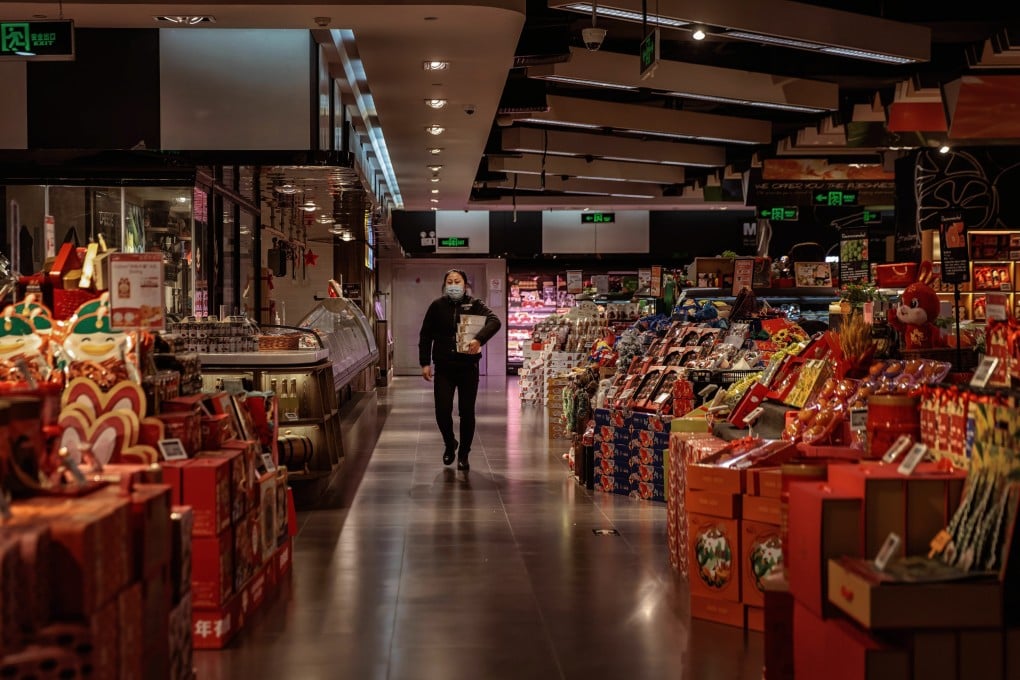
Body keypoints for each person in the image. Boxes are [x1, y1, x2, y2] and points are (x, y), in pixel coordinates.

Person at [419, 269, 501, 471]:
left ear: (465, 285)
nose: (454, 285)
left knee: (467, 412)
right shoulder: (437, 306)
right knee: (442, 411)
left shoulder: (475, 305)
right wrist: (425, 363)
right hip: (444, 368)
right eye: (450, 281)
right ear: (445, 285)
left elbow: (495, 321)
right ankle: (450, 443)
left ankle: (464, 453)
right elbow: (426, 335)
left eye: (458, 281)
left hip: (468, 368)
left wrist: (478, 339)